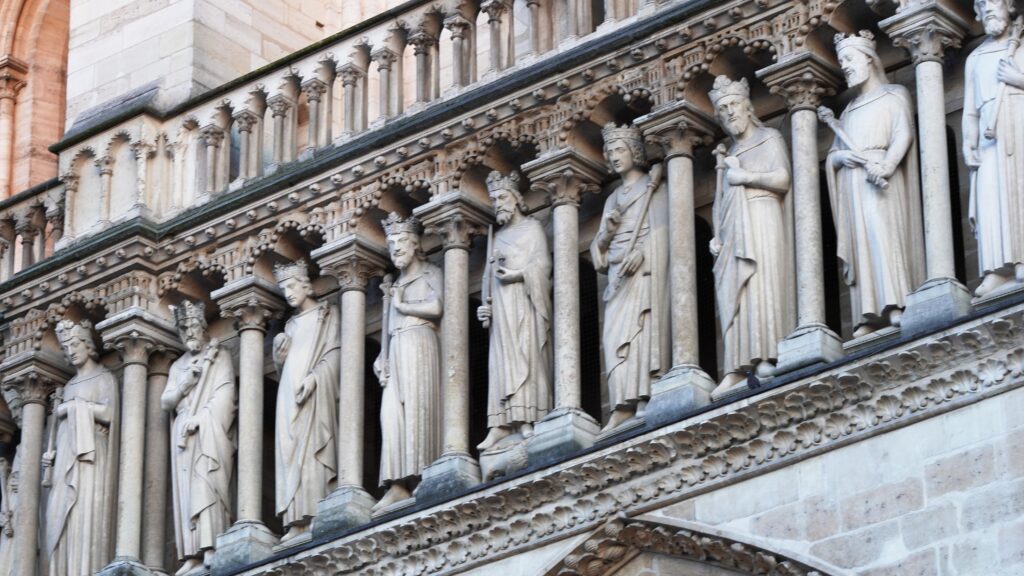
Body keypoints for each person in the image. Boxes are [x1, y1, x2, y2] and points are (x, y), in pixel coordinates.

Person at [824, 31, 925, 338]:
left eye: (850, 59)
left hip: (880, 177)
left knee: (884, 235)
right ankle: (868, 312)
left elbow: (903, 134)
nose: (846, 67)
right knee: (862, 242)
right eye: (842, 62)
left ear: (869, 59)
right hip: (854, 182)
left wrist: (887, 164)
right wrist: (841, 158)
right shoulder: (848, 112)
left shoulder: (895, 95)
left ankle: (895, 301)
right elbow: (832, 156)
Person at [708, 75, 795, 396]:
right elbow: (721, 200)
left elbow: (783, 178)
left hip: (762, 217)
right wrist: (716, 235)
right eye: (722, 109)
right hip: (733, 230)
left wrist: (744, 176)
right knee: (736, 294)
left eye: (733, 105)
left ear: (748, 107)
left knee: (761, 285)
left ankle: (766, 354)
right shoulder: (728, 154)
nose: (729, 113)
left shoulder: (769, 138)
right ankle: (737, 365)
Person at [590, 122, 670, 433]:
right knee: (614, 338)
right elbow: (597, 255)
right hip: (617, 275)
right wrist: (606, 235)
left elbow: (665, 230)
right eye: (610, 151)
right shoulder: (612, 199)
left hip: (643, 273)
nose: (614, 156)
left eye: (619, 149)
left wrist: (645, 252)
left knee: (642, 329)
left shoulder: (652, 187)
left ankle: (644, 396)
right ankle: (621, 403)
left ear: (634, 152)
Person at [476, 171, 553, 451]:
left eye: (502, 197)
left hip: (525, 303)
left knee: (527, 356)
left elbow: (543, 266)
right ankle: (500, 424)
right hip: (502, 312)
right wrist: (486, 307)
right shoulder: (496, 238)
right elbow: (488, 279)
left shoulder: (532, 229)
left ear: (517, 200)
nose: (498, 204)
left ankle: (527, 417)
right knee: (499, 365)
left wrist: (518, 275)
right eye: (494, 199)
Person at [373, 213, 443, 512]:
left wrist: (402, 304)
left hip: (419, 342)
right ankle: (397, 482)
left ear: (416, 245)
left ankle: (423, 471)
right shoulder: (394, 284)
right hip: (398, 346)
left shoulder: (430, 273)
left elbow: (438, 305)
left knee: (417, 406)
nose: (396, 248)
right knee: (391, 416)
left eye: (401, 241)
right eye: (391, 244)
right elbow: (388, 329)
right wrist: (381, 357)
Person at [161, 301, 235, 575]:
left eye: (193, 326)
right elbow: (166, 401)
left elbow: (226, 393)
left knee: (207, 483)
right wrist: (185, 385)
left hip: (206, 429)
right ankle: (191, 554)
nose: (189, 332)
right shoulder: (179, 366)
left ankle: (211, 545)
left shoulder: (219, 356)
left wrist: (202, 418)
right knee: (186, 493)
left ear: (203, 328)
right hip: (183, 432)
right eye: (184, 329)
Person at [273, 260, 339, 543]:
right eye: (283, 288)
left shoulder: (326, 314)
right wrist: (279, 356)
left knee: (311, 445)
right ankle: (295, 520)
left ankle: (314, 511)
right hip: (289, 395)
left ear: (305, 285)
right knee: (289, 450)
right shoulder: (289, 325)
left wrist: (314, 378)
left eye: (291, 286)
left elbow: (336, 353)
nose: (288, 293)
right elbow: (282, 369)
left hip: (313, 391)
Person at [45, 319, 118, 576]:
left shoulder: (105, 377)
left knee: (85, 512)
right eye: (66, 347)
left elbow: (109, 413)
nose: (71, 351)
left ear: (88, 345)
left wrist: (73, 407)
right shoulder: (67, 387)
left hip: (90, 458)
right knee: (59, 516)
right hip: (66, 456)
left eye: (75, 344)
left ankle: (87, 568)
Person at [962, 0, 1024, 297]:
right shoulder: (975, 58)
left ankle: (1022, 258)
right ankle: (997, 267)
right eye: (981, 4)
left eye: (994, 2)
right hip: (989, 131)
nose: (987, 8)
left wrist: (1018, 79)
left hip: (1019, 120)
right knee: (991, 195)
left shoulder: (1022, 46)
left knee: (1019, 187)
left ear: (1010, 7)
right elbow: (970, 110)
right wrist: (967, 141)